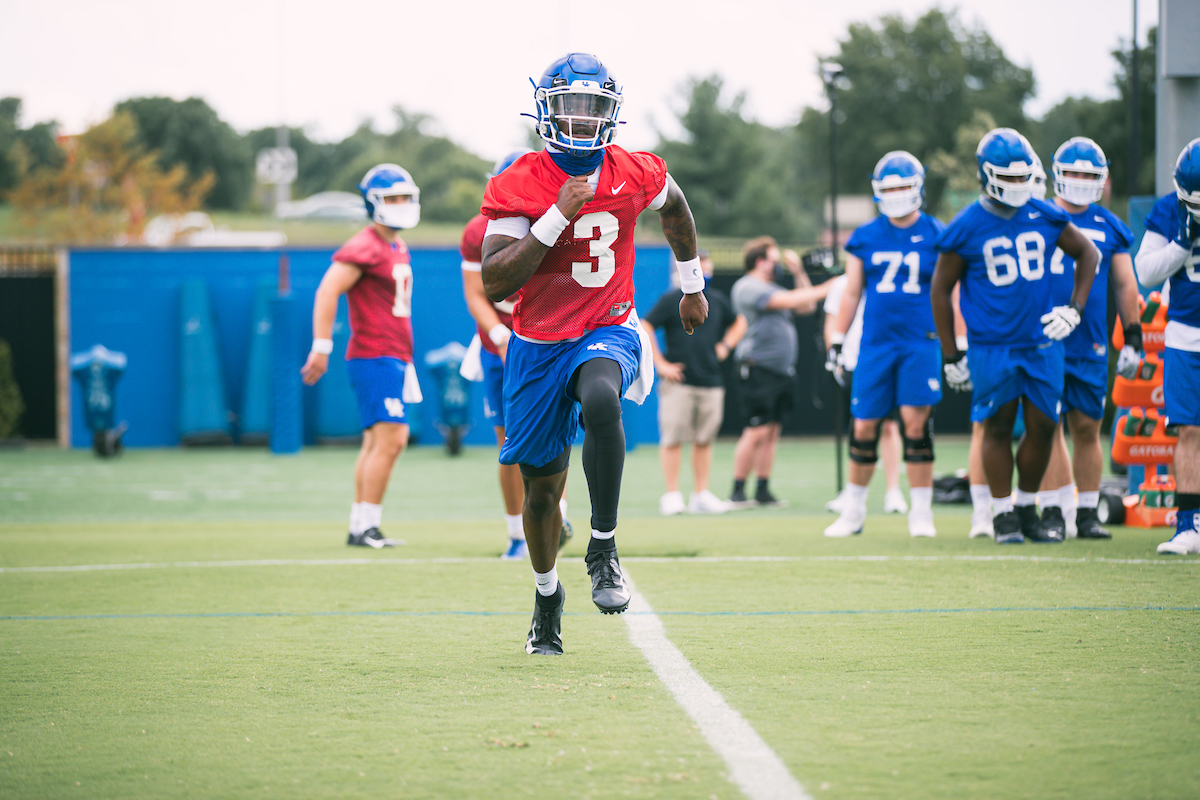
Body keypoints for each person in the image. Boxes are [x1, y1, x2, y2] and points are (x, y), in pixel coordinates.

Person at [479, 53, 708, 655]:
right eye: (570, 106)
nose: (581, 120)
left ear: (611, 113)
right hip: (536, 344)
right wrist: (556, 215)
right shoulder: (519, 181)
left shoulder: (634, 170)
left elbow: (677, 209)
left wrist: (691, 284)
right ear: (546, 111)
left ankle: (603, 547)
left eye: (593, 107)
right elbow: (496, 282)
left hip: (606, 326)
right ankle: (547, 594)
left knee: (603, 397)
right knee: (540, 493)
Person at [931, 128, 1100, 545]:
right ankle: (1002, 513)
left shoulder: (1043, 213)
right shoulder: (966, 225)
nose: (1017, 186)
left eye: (1023, 177)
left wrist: (1074, 309)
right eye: (1008, 178)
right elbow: (939, 289)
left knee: (1044, 427)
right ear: (986, 176)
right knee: (998, 426)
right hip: (993, 346)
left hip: (1042, 343)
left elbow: (1088, 254)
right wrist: (951, 355)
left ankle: (1027, 506)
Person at [824, 151, 946, 538]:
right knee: (864, 425)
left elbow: (948, 291)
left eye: (902, 187)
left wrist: (956, 339)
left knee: (916, 424)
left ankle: (921, 512)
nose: (895, 194)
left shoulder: (937, 233)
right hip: (876, 344)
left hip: (920, 342)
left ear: (918, 187)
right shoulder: (866, 236)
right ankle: (854, 511)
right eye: (888, 188)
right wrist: (839, 339)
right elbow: (851, 293)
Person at [459, 149, 573, 560]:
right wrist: (497, 333)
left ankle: (558, 511)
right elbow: (477, 292)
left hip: (548, 336)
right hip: (501, 339)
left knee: (557, 433)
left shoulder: (562, 215)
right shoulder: (479, 230)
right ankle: (515, 533)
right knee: (509, 441)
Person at [301, 164, 422, 548]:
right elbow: (326, 290)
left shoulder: (395, 244)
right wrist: (321, 346)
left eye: (405, 197)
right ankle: (366, 525)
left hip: (393, 355)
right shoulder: (365, 245)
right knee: (392, 438)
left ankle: (361, 525)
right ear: (373, 204)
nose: (400, 205)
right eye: (392, 199)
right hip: (375, 353)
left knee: (377, 441)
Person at [1035, 137, 1141, 540]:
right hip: (1044, 340)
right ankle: (1051, 511)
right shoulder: (1038, 217)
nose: (1080, 180)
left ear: (1102, 179)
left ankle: (1085, 513)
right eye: (1074, 172)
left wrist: (1133, 337)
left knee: (1086, 428)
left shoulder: (1109, 225)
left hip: (1090, 343)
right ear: (1058, 175)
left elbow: (1125, 285)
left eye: (1088, 174)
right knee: (1045, 426)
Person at [641, 250, 746, 515]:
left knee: (704, 439)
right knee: (673, 439)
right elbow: (646, 325)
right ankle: (672, 495)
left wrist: (726, 345)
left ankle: (701, 494)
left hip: (711, 380)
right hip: (680, 381)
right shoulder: (671, 300)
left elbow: (739, 323)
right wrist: (661, 364)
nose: (706, 273)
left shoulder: (718, 300)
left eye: (709, 268)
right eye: (703, 268)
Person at [729, 237, 831, 507]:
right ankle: (737, 491)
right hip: (758, 368)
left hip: (780, 372)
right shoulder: (748, 287)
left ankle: (763, 490)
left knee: (772, 431)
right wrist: (829, 287)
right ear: (760, 262)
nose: (778, 267)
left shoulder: (771, 286)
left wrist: (799, 272)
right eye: (774, 261)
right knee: (756, 431)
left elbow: (806, 306)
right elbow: (792, 299)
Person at [1135, 137, 1200, 555]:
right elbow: (1144, 271)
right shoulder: (1169, 209)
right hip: (1185, 335)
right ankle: (1188, 525)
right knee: (1190, 429)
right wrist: (1182, 242)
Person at [822, 274, 908, 517]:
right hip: (852, 361)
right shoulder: (840, 284)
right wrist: (833, 355)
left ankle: (894, 491)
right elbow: (832, 322)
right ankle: (853, 492)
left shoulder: (887, 277)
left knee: (890, 426)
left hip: (884, 358)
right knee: (860, 426)